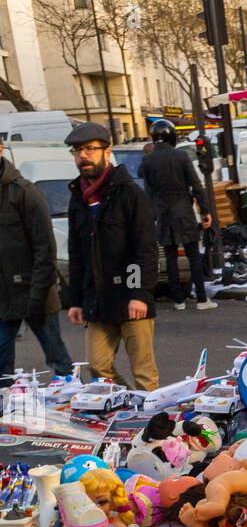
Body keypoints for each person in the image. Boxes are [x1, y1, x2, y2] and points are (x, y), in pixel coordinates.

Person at [65, 121, 159, 391]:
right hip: (97, 297)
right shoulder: (78, 197)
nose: (83, 156)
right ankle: (127, 402)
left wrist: (139, 292)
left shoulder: (128, 193)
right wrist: (76, 300)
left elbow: (143, 248)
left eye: (90, 149)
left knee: (143, 372)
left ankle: (148, 423)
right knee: (98, 366)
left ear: (107, 153)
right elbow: (77, 252)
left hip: (129, 292)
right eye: (77, 151)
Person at [0, 137, 73, 385]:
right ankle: (5, 412)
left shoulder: (24, 192)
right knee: (2, 365)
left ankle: (74, 401)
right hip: (3, 297)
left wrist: (38, 294)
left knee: (58, 358)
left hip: (35, 292)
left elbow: (45, 247)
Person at [140, 119, 216, 313]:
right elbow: (196, 186)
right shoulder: (181, 156)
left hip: (162, 212)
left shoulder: (148, 160)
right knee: (193, 255)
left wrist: (151, 216)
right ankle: (201, 298)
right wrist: (205, 211)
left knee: (171, 257)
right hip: (183, 209)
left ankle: (178, 300)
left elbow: (148, 192)